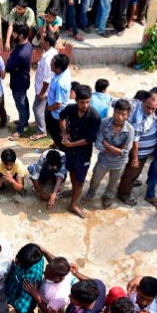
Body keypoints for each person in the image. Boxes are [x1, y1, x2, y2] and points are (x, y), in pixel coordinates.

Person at [58, 84, 101, 218]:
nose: (85, 105)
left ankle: (74, 204)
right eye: (82, 102)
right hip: (70, 151)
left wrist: (72, 144)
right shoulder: (71, 108)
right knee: (72, 171)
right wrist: (64, 133)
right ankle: (73, 190)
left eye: (88, 102)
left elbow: (90, 139)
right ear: (76, 100)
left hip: (83, 153)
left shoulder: (94, 116)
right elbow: (61, 117)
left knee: (81, 179)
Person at [84, 99, 134, 210]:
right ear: (113, 111)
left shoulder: (130, 130)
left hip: (119, 163)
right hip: (103, 160)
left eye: (123, 114)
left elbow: (125, 153)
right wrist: (117, 150)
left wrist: (107, 145)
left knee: (113, 182)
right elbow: (98, 144)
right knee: (95, 179)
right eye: (117, 113)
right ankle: (91, 192)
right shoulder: (104, 123)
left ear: (128, 115)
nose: (119, 117)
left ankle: (108, 197)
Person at [116, 90, 157, 206]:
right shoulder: (139, 119)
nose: (150, 111)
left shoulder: (140, 107)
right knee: (132, 172)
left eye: (154, 108)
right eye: (148, 107)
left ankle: (129, 182)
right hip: (137, 153)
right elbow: (135, 142)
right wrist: (135, 158)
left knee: (133, 172)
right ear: (143, 101)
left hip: (142, 152)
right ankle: (124, 193)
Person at [4, 243, 44, 313]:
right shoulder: (36, 256)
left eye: (19, 262)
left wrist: (15, 303)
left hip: (23, 298)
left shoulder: (30, 278)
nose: (16, 261)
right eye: (18, 257)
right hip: (18, 288)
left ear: (28, 265)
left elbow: (23, 306)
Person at [5, 23, 33, 140]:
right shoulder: (28, 45)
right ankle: (25, 121)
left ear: (21, 35)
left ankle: (20, 129)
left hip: (18, 83)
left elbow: (7, 68)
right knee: (24, 101)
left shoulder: (20, 54)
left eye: (15, 33)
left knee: (20, 105)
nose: (13, 35)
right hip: (24, 80)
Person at [31, 31, 57, 141]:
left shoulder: (48, 60)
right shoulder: (51, 52)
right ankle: (48, 127)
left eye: (42, 39)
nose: (40, 41)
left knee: (37, 109)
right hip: (46, 89)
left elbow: (47, 80)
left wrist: (42, 93)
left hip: (44, 90)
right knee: (46, 109)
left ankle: (42, 131)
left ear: (47, 42)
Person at [46, 53, 72, 150]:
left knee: (57, 133)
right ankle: (57, 143)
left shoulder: (61, 83)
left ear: (59, 69)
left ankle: (62, 150)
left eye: (52, 64)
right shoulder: (65, 71)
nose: (50, 64)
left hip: (56, 114)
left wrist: (49, 108)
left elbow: (58, 104)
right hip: (54, 109)